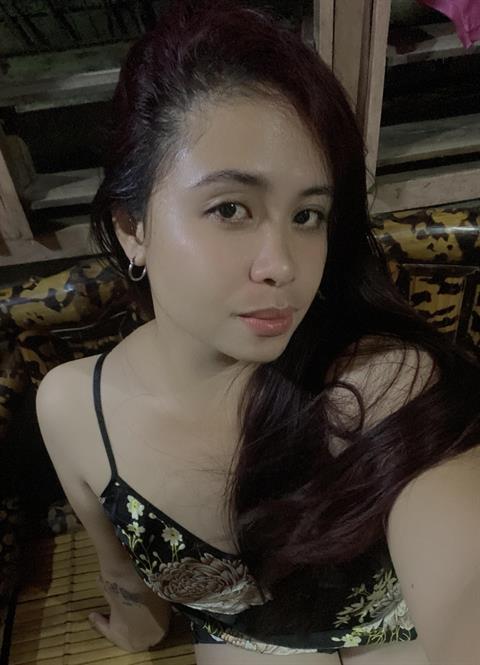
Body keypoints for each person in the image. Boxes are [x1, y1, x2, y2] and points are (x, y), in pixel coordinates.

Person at [36, 1, 480, 663]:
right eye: (230, 208)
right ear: (133, 229)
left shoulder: (379, 383)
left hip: (393, 633)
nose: (283, 266)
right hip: (246, 641)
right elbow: (122, 570)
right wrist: (136, 626)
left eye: (307, 216)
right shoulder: (73, 408)